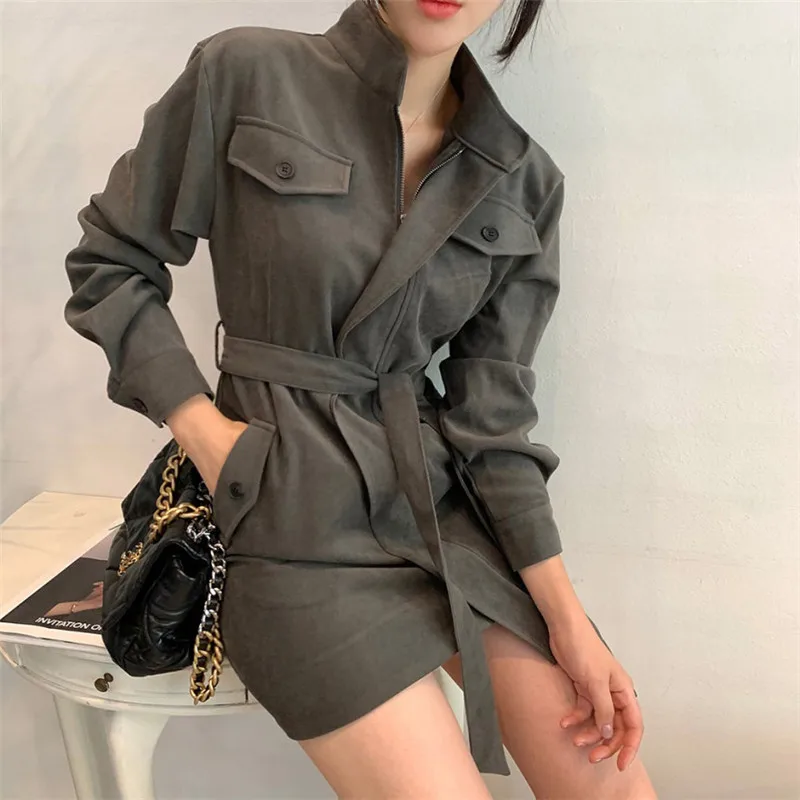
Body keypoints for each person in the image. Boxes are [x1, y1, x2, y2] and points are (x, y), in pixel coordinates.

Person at [62, 0, 658, 796]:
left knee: (615, 787)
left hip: (440, 521)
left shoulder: (523, 177)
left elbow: (495, 425)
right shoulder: (246, 73)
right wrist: (205, 432)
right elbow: (110, 264)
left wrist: (568, 620)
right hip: (287, 516)